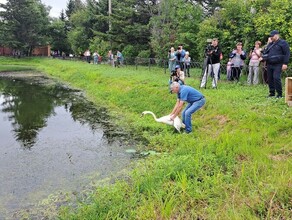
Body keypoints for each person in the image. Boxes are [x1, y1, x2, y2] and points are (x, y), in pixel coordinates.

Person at [260, 30, 290, 98]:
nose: (271, 37)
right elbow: (265, 52)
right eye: (270, 36)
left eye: (272, 36)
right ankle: (272, 93)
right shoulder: (270, 44)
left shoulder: (283, 43)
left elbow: (287, 53)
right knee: (270, 78)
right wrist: (268, 43)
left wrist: (285, 63)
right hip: (269, 63)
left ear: (277, 35)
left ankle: (279, 94)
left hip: (278, 64)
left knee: (276, 78)